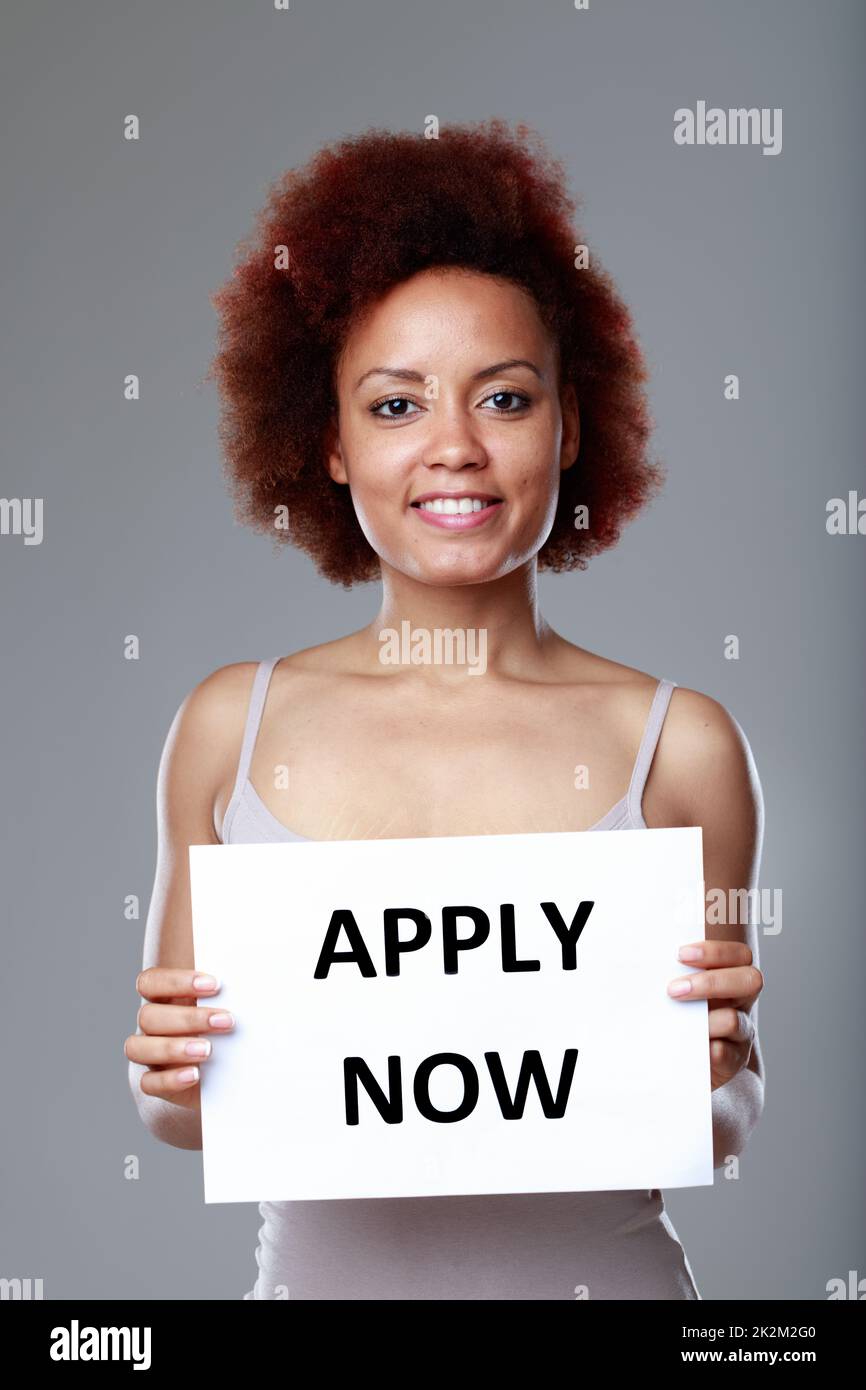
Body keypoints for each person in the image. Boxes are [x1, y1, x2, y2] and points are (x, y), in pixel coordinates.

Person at [126, 119, 765, 1300]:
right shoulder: (228, 727)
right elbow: (184, 1114)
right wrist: (167, 1078)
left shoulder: (681, 743)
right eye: (394, 406)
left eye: (505, 398)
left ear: (570, 427)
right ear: (323, 443)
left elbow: (724, 1114)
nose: (455, 449)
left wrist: (712, 1065)